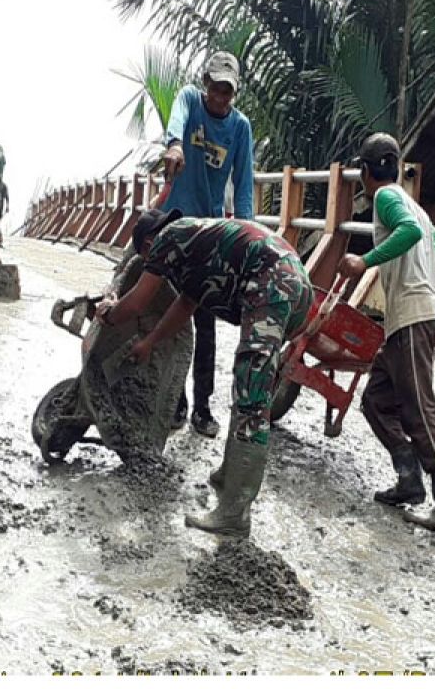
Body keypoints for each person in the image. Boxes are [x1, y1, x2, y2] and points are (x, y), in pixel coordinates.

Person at [97, 210, 312, 538]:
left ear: (150, 244)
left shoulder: (168, 239)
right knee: (247, 380)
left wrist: (108, 316)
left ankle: (234, 513)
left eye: (149, 259)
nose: (154, 267)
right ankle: (231, 475)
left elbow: (138, 302)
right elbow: (185, 305)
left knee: (251, 390)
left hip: (273, 282)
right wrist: (150, 343)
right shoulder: (195, 250)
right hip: (291, 285)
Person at [337, 133, 435, 533]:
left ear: (364, 171)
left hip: (412, 316)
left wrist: (365, 260)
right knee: (376, 400)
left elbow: (408, 231)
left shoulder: (387, 199)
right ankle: (409, 481)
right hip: (409, 320)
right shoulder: (418, 209)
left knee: (416, 407)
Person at [156, 51, 255, 438]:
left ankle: (201, 407)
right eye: (215, 87)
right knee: (170, 315)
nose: (219, 96)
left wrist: (244, 234)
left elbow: (244, 183)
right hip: (176, 220)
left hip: (210, 232)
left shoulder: (240, 127)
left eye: (227, 91)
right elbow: (177, 120)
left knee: (204, 321)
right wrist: (175, 145)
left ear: (234, 92)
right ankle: (175, 401)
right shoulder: (189, 101)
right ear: (205, 83)